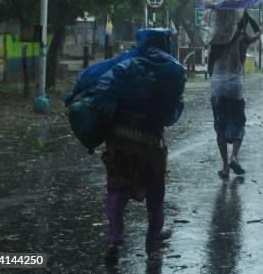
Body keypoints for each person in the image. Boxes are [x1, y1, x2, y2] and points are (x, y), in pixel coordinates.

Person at [65, 28, 186, 264]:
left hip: (120, 138)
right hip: (152, 141)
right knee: (155, 194)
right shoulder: (170, 72)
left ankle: (114, 240)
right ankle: (152, 242)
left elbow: (102, 94)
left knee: (117, 190)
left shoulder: (124, 66)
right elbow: (173, 110)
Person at [208, 9, 261, 179]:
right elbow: (259, 32)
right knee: (239, 123)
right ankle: (234, 156)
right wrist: (248, 16)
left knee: (220, 127)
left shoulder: (216, 39)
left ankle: (225, 167)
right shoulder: (243, 39)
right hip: (235, 86)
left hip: (217, 85)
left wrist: (217, 78)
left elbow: (209, 67)